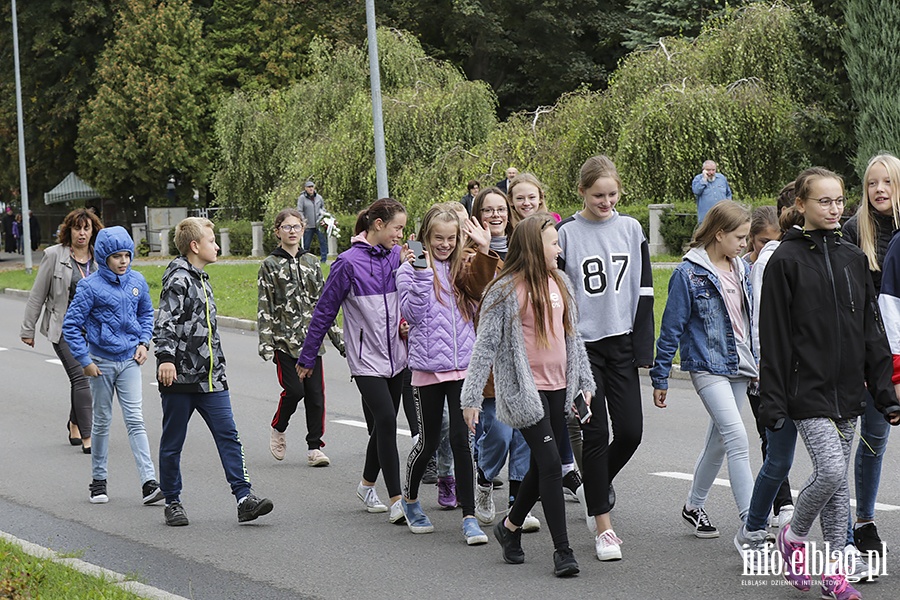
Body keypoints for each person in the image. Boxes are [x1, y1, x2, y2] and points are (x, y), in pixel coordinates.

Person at [760, 167, 900, 599]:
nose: (835, 208)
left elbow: (872, 333)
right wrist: (774, 402)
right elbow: (775, 337)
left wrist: (885, 394)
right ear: (801, 205)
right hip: (808, 392)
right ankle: (795, 536)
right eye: (824, 201)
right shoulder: (785, 260)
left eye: (839, 200)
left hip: (849, 391)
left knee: (838, 487)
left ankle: (834, 571)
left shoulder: (853, 258)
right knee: (833, 471)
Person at [462, 214, 595, 577]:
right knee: (552, 464)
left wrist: (584, 380)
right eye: (553, 242)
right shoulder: (504, 289)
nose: (559, 248)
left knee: (540, 464)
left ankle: (509, 528)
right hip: (525, 392)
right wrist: (471, 397)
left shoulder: (561, 282)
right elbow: (485, 345)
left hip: (558, 388)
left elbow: (573, 337)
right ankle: (563, 551)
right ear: (536, 247)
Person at [557, 155, 654, 561]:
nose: (606, 201)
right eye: (598, 194)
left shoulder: (631, 228)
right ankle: (604, 526)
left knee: (631, 431)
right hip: (583, 349)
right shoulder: (565, 234)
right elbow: (557, 295)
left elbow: (646, 290)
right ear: (582, 192)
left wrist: (644, 349)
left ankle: (593, 485)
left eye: (613, 194)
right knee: (594, 435)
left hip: (623, 343)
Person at [296, 198, 411, 524]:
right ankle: (397, 499)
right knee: (387, 420)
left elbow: (402, 304)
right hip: (365, 359)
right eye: (397, 228)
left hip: (396, 357)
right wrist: (307, 355)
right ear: (378, 225)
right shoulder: (347, 263)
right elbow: (324, 312)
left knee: (382, 427)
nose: (401, 235)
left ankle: (365, 485)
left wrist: (404, 318)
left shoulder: (397, 258)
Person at [154, 217, 274, 526]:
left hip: (212, 379)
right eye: (211, 240)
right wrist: (165, 358)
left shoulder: (202, 278)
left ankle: (244, 498)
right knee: (173, 443)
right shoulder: (179, 279)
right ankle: (173, 501)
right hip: (180, 378)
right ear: (195, 246)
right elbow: (164, 321)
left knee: (229, 437)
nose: (217, 245)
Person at [651, 201, 757, 539]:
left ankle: (693, 507)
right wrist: (661, 373)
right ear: (719, 233)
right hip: (708, 366)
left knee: (720, 442)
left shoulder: (741, 268)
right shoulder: (688, 273)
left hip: (741, 364)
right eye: (740, 237)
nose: (744, 243)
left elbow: (749, 320)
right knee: (738, 438)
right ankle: (750, 523)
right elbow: (672, 326)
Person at [397, 202, 488, 544]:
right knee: (430, 441)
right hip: (426, 369)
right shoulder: (409, 270)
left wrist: (482, 249)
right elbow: (414, 315)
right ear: (424, 237)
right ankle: (409, 500)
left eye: (451, 238)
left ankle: (469, 518)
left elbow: (483, 298)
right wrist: (421, 270)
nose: (445, 244)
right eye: (438, 238)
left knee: (462, 442)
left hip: (463, 367)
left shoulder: (464, 266)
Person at [456, 187, 540, 531]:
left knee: (524, 438)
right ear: (478, 214)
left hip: (526, 356)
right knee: (500, 435)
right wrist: (485, 247)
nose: (495, 215)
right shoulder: (470, 253)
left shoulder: (523, 245)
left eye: (500, 209)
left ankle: (519, 504)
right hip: (492, 363)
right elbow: (478, 289)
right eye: (487, 210)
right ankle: (485, 480)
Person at [61, 226, 163, 505]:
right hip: (101, 363)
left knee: (136, 420)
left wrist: (144, 343)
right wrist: (85, 361)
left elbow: (145, 314)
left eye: (127, 255)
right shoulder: (89, 286)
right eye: (116, 256)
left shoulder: (137, 281)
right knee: (102, 422)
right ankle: (98, 481)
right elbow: (71, 327)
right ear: (104, 256)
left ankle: (149, 483)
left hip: (130, 360)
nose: (123, 261)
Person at [841, 154, 900, 560]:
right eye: (872, 183)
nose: (879, 190)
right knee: (843, 444)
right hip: (856, 351)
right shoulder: (850, 229)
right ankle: (847, 528)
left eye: (887, 183)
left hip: (891, 354)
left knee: (875, 440)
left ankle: (865, 519)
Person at [257, 208, 344, 466]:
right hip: (285, 343)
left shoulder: (311, 262)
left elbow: (324, 304)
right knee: (294, 391)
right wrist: (266, 342)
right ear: (277, 232)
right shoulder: (270, 265)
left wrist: (339, 342)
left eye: (296, 227)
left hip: (312, 342)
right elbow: (265, 305)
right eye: (287, 227)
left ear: (303, 230)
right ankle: (279, 426)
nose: (292, 231)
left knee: (316, 396)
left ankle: (314, 447)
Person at [21, 208, 104, 454]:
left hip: (93, 331)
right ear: (68, 230)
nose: (81, 233)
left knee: (86, 378)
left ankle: (75, 423)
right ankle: (89, 436)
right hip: (64, 328)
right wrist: (29, 329)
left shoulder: (100, 257)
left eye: (86, 228)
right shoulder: (54, 256)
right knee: (81, 377)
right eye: (77, 228)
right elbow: (37, 295)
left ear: (93, 231)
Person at [297, 181, 328, 263]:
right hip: (308, 225)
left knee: (323, 242)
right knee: (306, 244)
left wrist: (324, 219)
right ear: (305, 188)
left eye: (312, 187)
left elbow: (323, 209)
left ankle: (324, 260)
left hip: (319, 224)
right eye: (309, 187)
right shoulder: (302, 198)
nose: (311, 188)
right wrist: (303, 221)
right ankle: (304, 260)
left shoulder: (319, 197)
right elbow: (300, 210)